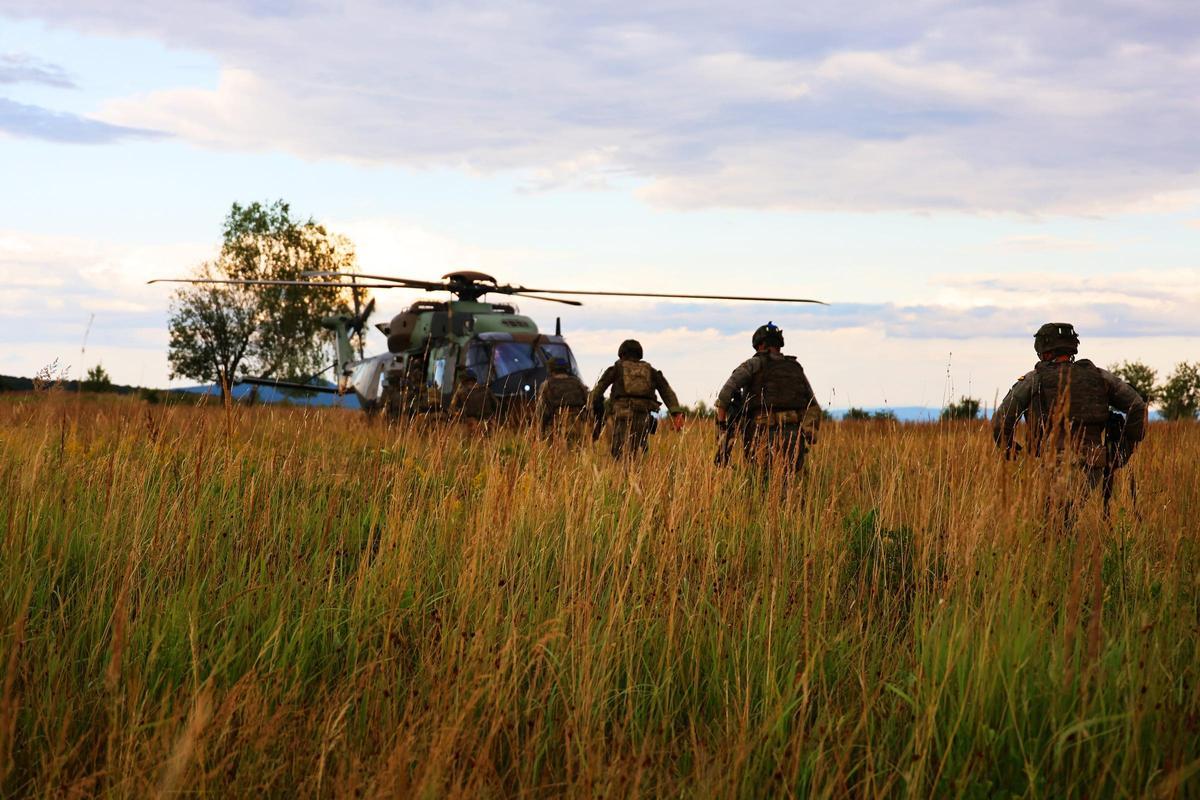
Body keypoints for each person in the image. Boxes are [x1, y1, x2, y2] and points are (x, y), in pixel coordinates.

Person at [992, 322, 1147, 515]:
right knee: (1070, 518)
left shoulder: (1035, 379)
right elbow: (1138, 406)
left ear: (1044, 351)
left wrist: (1009, 448)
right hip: (1094, 464)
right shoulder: (1099, 376)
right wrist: (1124, 449)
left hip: (1053, 464)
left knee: (1051, 521)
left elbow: (1002, 419)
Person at [715, 322, 821, 479]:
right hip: (793, 437)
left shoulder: (753, 364)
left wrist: (722, 429)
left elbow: (724, 395)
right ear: (779, 345)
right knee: (787, 482)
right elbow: (812, 406)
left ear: (760, 345)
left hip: (762, 436)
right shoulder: (795, 368)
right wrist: (808, 434)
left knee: (761, 484)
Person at [589, 339, 684, 458]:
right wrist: (676, 413)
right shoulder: (650, 371)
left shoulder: (617, 368)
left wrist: (586, 405)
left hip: (621, 417)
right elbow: (666, 391)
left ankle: (623, 469)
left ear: (621, 354)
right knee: (639, 452)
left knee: (619, 454)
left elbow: (599, 389)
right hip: (643, 418)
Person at [535, 357, 590, 443]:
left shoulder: (547, 385)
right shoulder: (577, 383)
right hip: (578, 426)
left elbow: (542, 412)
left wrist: (541, 432)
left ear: (551, 369)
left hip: (556, 427)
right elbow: (589, 405)